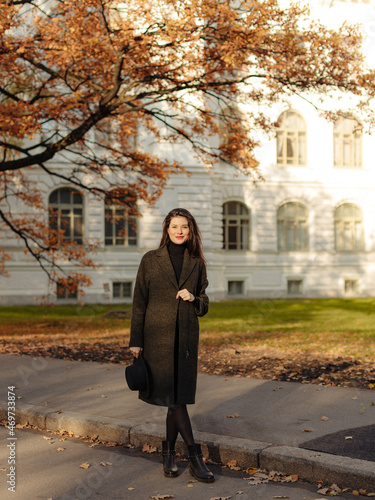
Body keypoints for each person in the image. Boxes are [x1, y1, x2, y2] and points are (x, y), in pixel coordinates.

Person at [129, 207, 214, 483]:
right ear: (166, 229)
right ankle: (194, 458)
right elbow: (139, 301)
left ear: (191, 231)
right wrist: (136, 341)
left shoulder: (197, 263)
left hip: (186, 340)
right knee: (175, 401)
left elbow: (204, 305)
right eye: (175, 226)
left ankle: (168, 456)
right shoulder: (151, 260)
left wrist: (193, 298)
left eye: (185, 227)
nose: (179, 231)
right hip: (158, 342)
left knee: (175, 400)